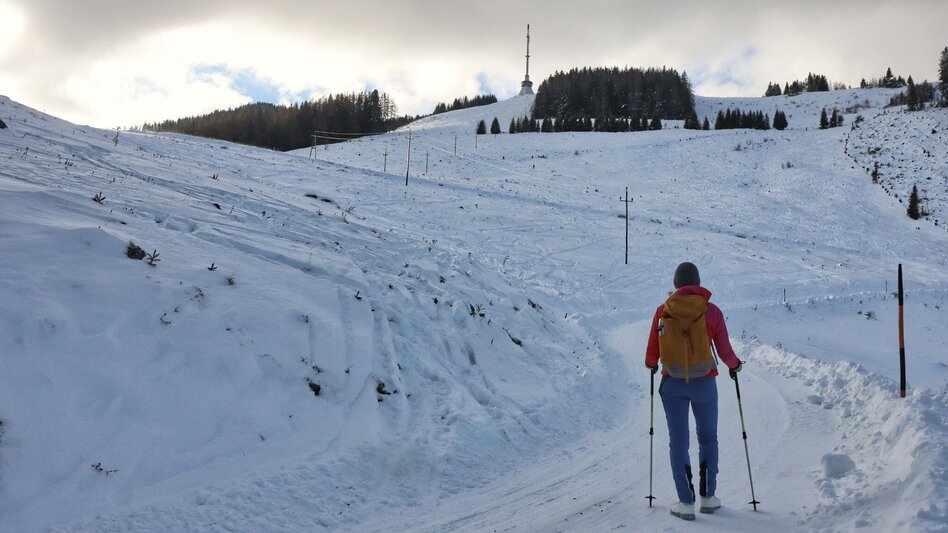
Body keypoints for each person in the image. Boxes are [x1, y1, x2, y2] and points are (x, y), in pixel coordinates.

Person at [645, 262, 742, 521]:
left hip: (673, 384)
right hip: (705, 384)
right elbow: (725, 352)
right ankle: (708, 498)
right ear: (698, 283)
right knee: (708, 439)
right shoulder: (712, 312)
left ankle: (685, 503)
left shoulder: (662, 311)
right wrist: (736, 366)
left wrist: (653, 365)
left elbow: (651, 355)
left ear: (676, 284)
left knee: (679, 442)